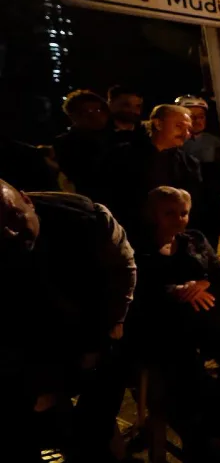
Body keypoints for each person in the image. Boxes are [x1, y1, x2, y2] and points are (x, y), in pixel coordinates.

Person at [1, 178, 136, 462]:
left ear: (27, 200)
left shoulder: (87, 218)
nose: (10, 231)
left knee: (106, 377)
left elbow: (123, 270)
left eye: (14, 215)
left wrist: (107, 331)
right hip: (28, 336)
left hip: (92, 320)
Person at [131, 187, 220, 458]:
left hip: (205, 317)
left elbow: (219, 274)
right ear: (153, 215)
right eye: (169, 213)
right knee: (179, 361)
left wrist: (203, 283)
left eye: (183, 213)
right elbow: (138, 288)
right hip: (165, 320)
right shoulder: (140, 247)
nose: (179, 219)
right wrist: (174, 291)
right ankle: (197, 431)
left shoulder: (194, 240)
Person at [96, 104, 206, 241]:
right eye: (179, 126)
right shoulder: (121, 156)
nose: (185, 134)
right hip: (129, 234)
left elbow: (194, 202)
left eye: (188, 129)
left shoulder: (188, 163)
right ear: (158, 124)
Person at [178, 95, 220, 249]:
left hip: (210, 202)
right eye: (192, 117)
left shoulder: (215, 142)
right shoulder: (176, 142)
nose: (197, 121)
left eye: (201, 116)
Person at [52, 89, 109, 198]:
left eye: (97, 110)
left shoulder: (116, 136)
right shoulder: (65, 143)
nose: (93, 116)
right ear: (72, 116)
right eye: (85, 112)